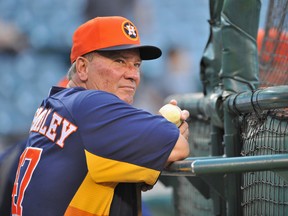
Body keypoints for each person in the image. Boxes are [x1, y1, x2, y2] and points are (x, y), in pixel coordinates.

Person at [11, 16, 190, 216]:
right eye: (120, 61)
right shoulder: (91, 105)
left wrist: (153, 132)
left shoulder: (56, 103)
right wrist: (165, 130)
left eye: (137, 65)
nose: (133, 75)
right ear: (82, 68)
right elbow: (178, 146)